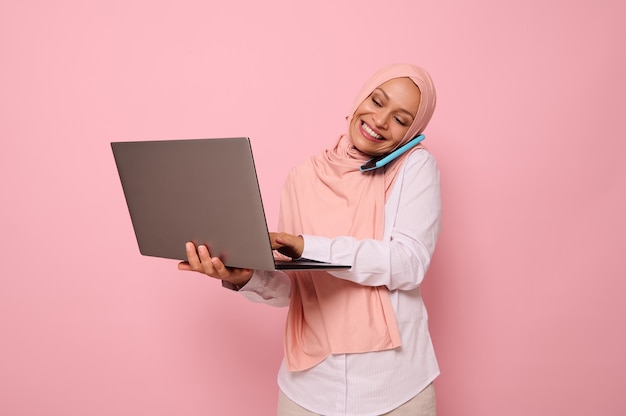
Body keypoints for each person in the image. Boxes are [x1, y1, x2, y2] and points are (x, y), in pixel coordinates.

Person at [178, 63, 441, 416]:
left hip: (394, 391)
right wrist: (245, 279)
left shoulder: (415, 167)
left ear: (414, 132)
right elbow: (299, 291)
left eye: (401, 119)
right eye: (377, 101)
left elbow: (408, 263)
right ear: (360, 98)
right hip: (307, 392)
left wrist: (307, 246)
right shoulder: (302, 177)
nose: (380, 120)